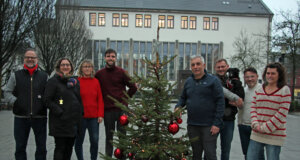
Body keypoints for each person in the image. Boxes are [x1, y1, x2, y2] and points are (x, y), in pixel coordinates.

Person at [175, 55, 225, 160]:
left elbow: (220, 102)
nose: (195, 67)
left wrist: (217, 123)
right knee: (196, 155)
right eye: (193, 65)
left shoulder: (213, 81)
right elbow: (183, 98)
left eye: (198, 64)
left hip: (209, 126)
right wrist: (178, 107)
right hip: (193, 125)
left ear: (204, 65)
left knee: (210, 154)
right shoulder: (188, 82)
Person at [4, 48, 48, 160]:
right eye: (27, 57)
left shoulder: (44, 76)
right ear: (24, 59)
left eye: (32, 57)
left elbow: (49, 94)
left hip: (40, 117)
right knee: (20, 147)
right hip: (21, 117)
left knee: (41, 147)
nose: (30, 59)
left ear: (37, 59)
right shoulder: (16, 75)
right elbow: (7, 92)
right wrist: (15, 102)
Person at [95, 48, 137, 157]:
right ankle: (108, 157)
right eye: (108, 56)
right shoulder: (99, 74)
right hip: (108, 111)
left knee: (122, 137)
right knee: (109, 137)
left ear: (116, 58)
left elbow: (133, 87)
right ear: (104, 58)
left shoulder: (122, 72)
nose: (110, 58)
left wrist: (126, 99)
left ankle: (122, 157)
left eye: (113, 56)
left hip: (121, 110)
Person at [247, 62, 291, 160]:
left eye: (273, 73)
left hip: (274, 135)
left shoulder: (284, 90)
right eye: (268, 73)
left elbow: (282, 113)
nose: (270, 76)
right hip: (256, 133)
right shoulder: (259, 89)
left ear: (279, 75)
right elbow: (253, 107)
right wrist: (255, 124)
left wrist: (265, 128)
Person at [44, 58, 83, 160]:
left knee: (69, 148)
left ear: (71, 67)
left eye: (67, 65)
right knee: (60, 148)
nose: (65, 67)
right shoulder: (53, 81)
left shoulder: (74, 82)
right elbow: (47, 100)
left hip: (72, 122)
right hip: (60, 122)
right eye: (63, 65)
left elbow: (78, 99)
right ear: (59, 67)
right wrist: (59, 111)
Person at [214, 59, 244, 160]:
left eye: (223, 67)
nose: (221, 69)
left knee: (226, 149)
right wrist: (232, 98)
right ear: (215, 68)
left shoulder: (233, 80)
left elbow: (240, 99)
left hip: (229, 120)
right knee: (210, 148)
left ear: (227, 67)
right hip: (215, 120)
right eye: (218, 67)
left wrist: (234, 99)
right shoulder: (212, 80)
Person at [75, 60, 104, 160]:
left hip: (94, 118)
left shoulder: (96, 81)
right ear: (81, 69)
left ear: (92, 69)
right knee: (78, 141)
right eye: (85, 67)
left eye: (89, 66)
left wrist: (100, 115)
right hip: (80, 118)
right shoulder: (77, 81)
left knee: (94, 141)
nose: (87, 68)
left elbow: (100, 99)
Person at [238, 67, 265, 160]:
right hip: (243, 126)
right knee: (246, 153)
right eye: (247, 77)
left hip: (256, 128)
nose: (249, 79)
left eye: (252, 76)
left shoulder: (263, 90)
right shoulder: (243, 91)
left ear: (257, 76)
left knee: (258, 154)